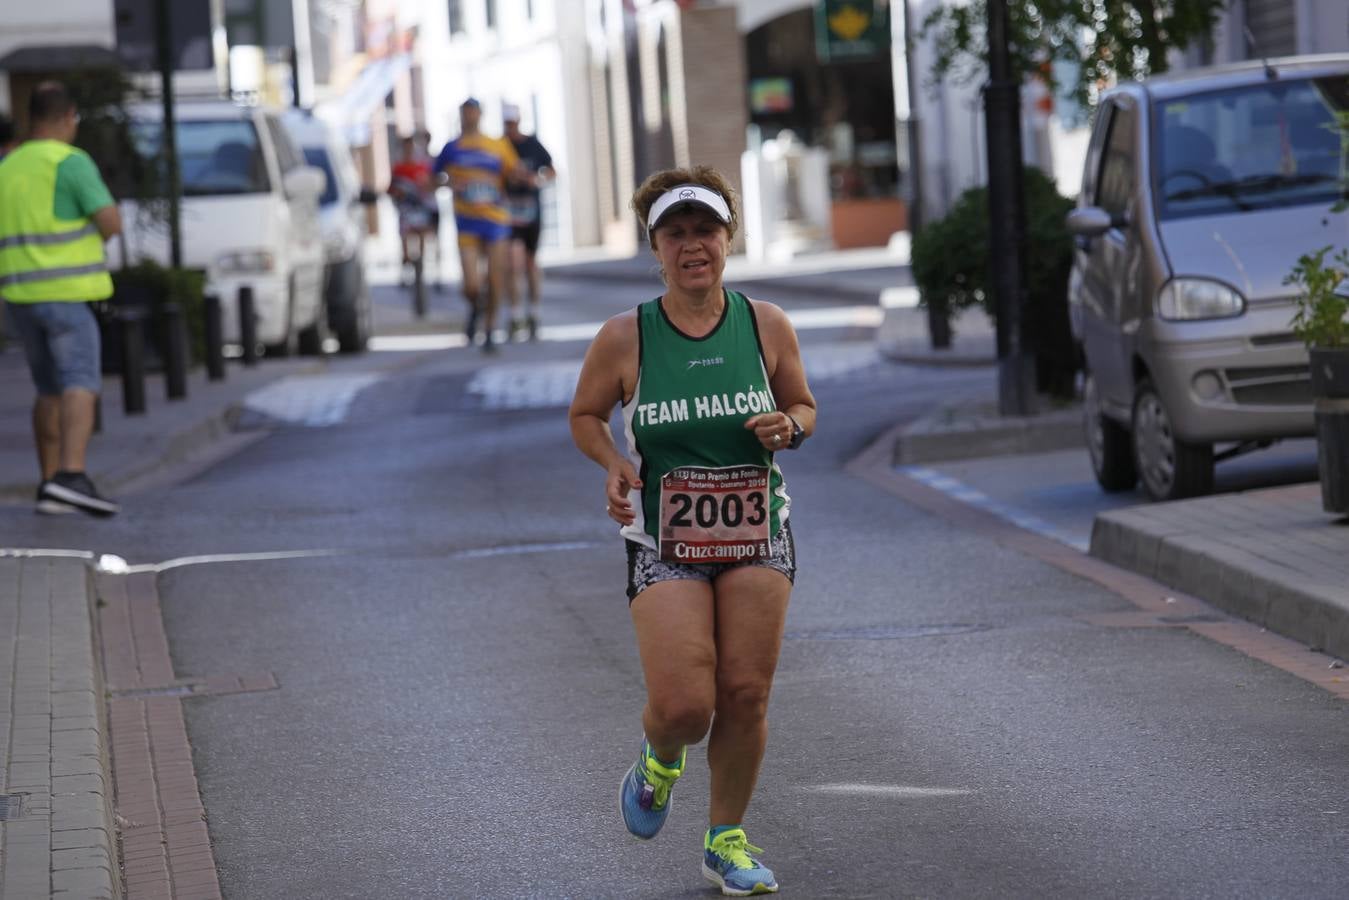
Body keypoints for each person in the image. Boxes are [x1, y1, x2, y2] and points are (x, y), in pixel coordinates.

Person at [568, 166, 816, 896]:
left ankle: (725, 839)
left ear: (727, 239)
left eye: (704, 230)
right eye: (674, 234)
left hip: (756, 530)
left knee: (744, 691)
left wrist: (789, 427)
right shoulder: (625, 337)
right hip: (665, 540)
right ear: (655, 249)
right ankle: (658, 759)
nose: (691, 246)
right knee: (684, 704)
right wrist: (613, 461)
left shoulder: (765, 324)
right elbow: (585, 415)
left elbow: (803, 405)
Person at [0, 81, 121, 517]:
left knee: (48, 389)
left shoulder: (8, 166)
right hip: (67, 293)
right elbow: (110, 222)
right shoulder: (70, 162)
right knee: (80, 381)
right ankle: (72, 475)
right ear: (69, 117)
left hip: (19, 294)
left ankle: (50, 482)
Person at [433, 98, 520, 353]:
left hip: (495, 219)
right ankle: (475, 305)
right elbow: (434, 178)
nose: (469, 117)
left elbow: (514, 172)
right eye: (465, 113)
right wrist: (449, 184)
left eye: (473, 113)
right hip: (467, 221)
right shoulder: (452, 147)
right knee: (471, 284)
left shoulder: (498, 145)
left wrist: (525, 177)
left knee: (495, 277)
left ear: (480, 115)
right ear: (461, 116)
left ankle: (490, 329)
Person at [501, 103, 554, 341]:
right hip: (509, 213)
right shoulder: (500, 147)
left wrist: (537, 179)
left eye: (513, 123)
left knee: (531, 263)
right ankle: (514, 315)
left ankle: (534, 311)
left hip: (531, 210)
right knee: (513, 262)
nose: (510, 128)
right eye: (507, 124)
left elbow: (551, 170)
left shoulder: (532, 144)